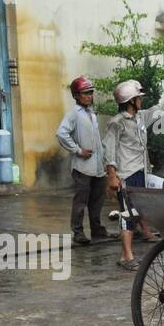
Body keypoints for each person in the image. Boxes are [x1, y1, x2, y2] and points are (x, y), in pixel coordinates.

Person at [103, 79, 164, 270]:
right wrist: (112, 175)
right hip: (126, 175)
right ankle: (126, 256)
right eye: (138, 98)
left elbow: (162, 107)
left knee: (138, 209)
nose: (141, 100)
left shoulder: (142, 117)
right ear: (130, 101)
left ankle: (145, 234)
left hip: (141, 172)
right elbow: (109, 151)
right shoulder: (116, 123)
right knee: (126, 214)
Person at [55, 76, 109, 246]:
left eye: (91, 93)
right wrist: (78, 150)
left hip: (98, 166)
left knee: (97, 200)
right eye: (85, 93)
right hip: (82, 167)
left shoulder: (91, 114)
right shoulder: (73, 114)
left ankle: (97, 229)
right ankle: (78, 232)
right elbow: (61, 133)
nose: (89, 96)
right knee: (81, 201)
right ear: (76, 95)